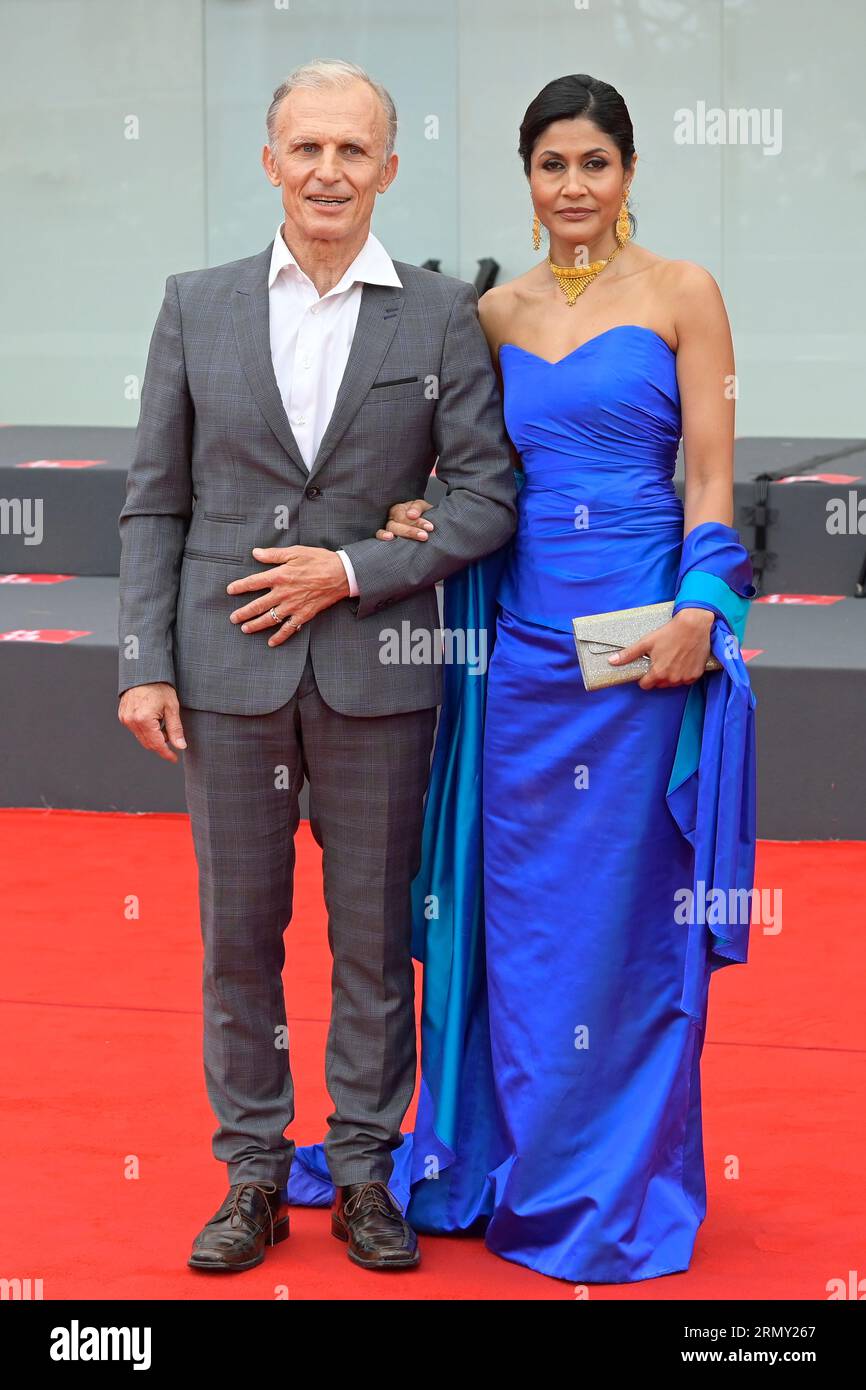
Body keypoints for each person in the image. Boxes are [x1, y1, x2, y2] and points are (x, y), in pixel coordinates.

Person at [289, 73, 757, 1285]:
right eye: (552, 165)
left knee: (625, 925)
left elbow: (710, 476)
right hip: (520, 662)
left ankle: (607, 1178)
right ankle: (514, 1154)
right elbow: (480, 479)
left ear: (629, 172)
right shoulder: (491, 313)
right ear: (527, 177)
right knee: (520, 924)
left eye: (594, 164)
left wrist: (703, 611)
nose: (573, 189)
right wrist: (425, 509)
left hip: (643, 651)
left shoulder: (684, 296)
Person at [116, 58, 516, 1274]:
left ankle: (360, 1173)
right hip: (224, 676)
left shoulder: (441, 312)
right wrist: (143, 659)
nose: (330, 171)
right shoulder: (197, 302)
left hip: (379, 670)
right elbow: (154, 503)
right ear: (270, 162)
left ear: (388, 168)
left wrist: (350, 570)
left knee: (367, 937)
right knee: (238, 936)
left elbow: (486, 494)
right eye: (308, 149)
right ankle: (248, 1174)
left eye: (354, 151)